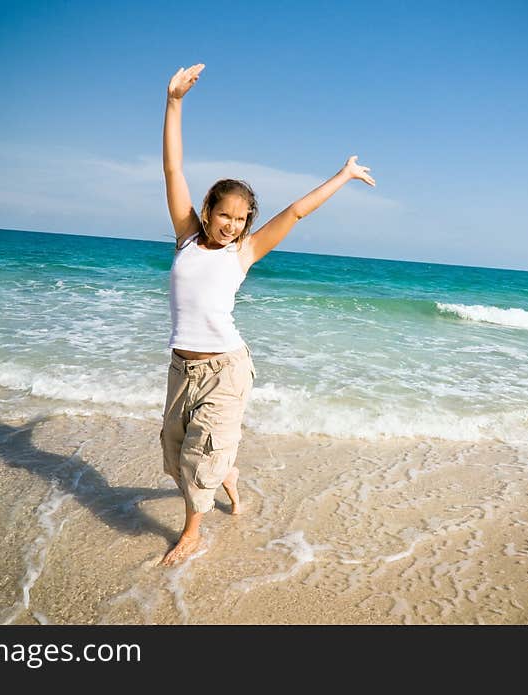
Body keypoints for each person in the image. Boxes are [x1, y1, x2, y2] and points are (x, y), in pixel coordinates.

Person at [159, 63, 375, 566]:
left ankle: (192, 532)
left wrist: (342, 175)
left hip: (226, 370)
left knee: (197, 458)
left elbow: (296, 211)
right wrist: (175, 102)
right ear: (207, 210)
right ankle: (228, 476)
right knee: (175, 452)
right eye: (224, 215)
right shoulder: (187, 238)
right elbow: (173, 170)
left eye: (240, 219)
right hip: (181, 368)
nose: (231, 225)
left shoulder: (244, 253)